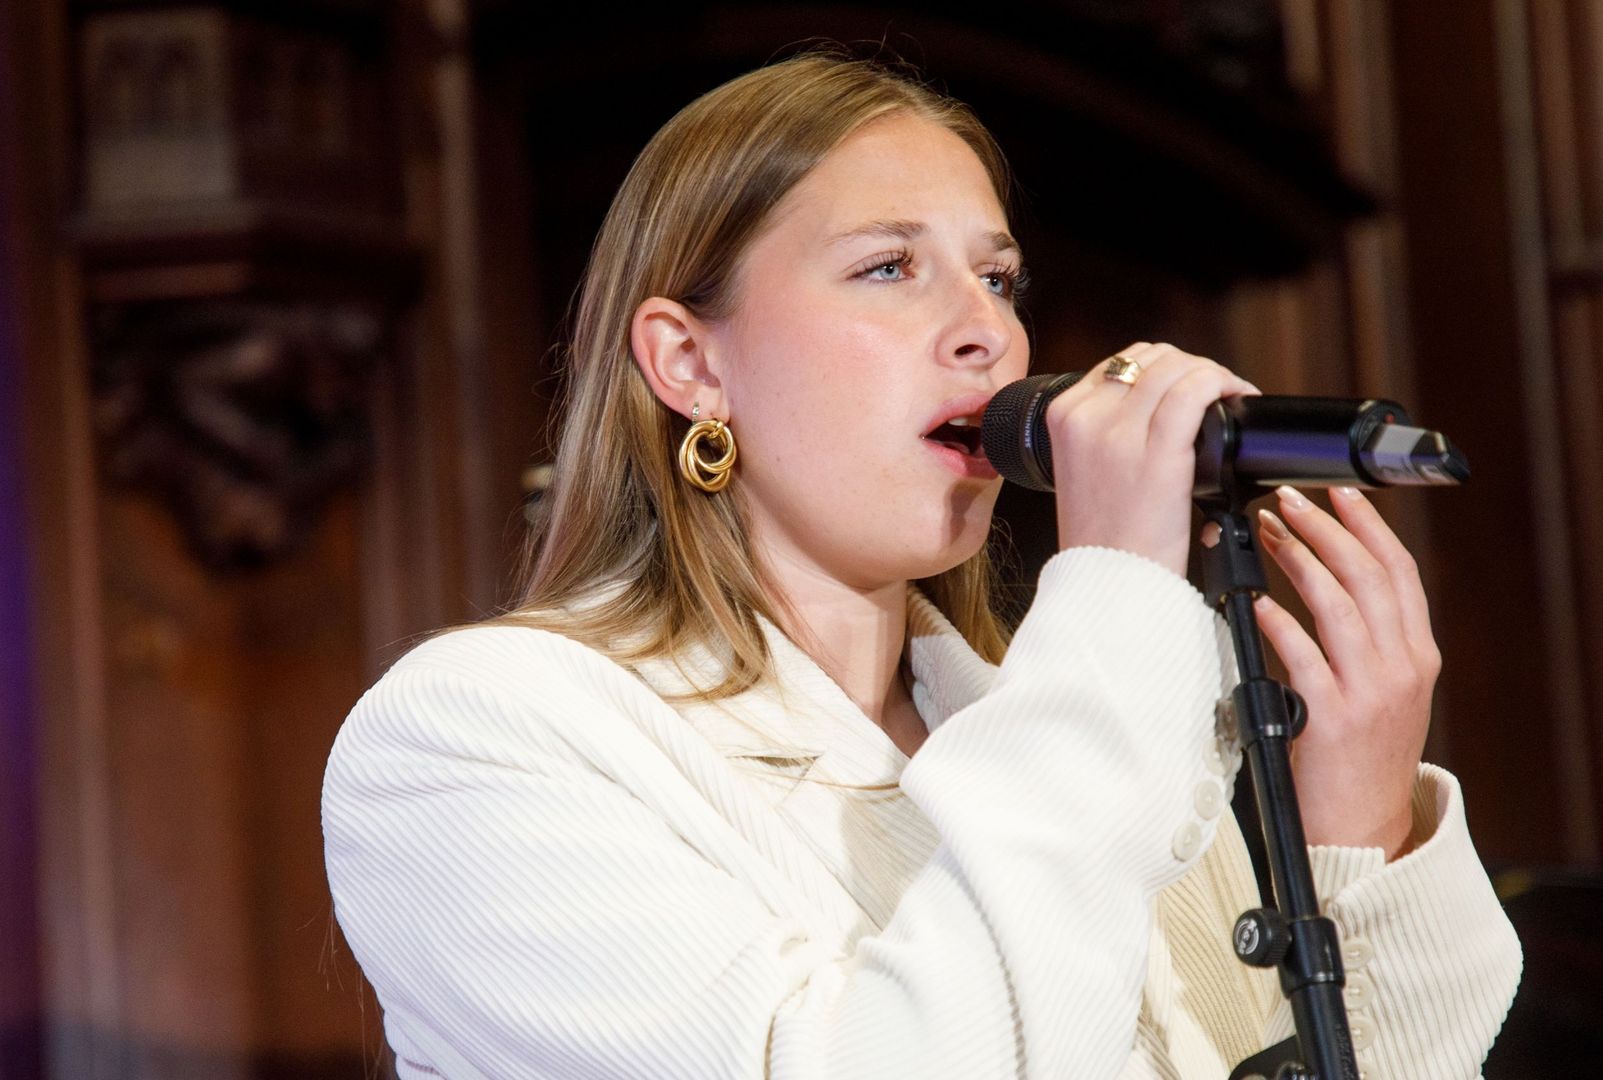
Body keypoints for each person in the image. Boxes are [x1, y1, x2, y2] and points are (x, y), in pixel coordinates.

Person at [321, 50, 1522, 1080]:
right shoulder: (481, 736)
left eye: (998, 278)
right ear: (688, 362)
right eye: (889, 267)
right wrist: (1114, 603)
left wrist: (1355, 832)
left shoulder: (1083, 732)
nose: (986, 331)